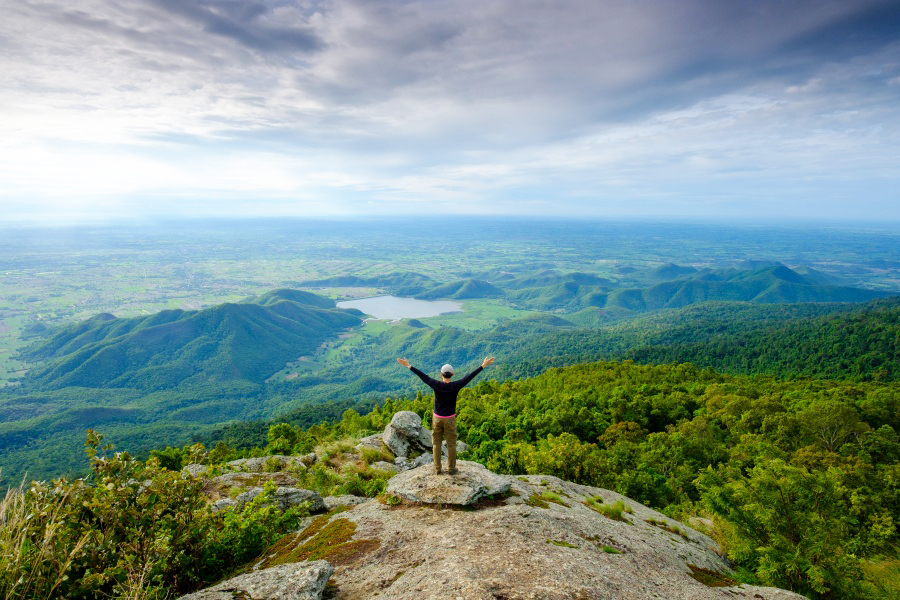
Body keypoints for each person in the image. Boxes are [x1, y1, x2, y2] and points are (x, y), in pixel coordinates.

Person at [397, 356, 495, 475]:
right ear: (452, 374)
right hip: (450, 419)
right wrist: (483, 365)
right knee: (451, 444)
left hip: (437, 418)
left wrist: (409, 365)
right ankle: (451, 468)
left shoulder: (436, 385)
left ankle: (438, 469)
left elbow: (423, 377)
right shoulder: (455, 386)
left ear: (441, 374)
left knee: (436, 444)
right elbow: (469, 377)